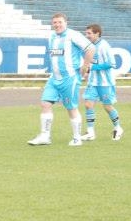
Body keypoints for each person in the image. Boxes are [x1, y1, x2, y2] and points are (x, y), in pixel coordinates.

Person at [27, 13, 94, 147]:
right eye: (55, 23)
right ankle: (45, 136)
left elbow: (91, 48)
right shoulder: (51, 36)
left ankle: (77, 138)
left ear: (66, 23)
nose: (57, 25)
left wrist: (85, 67)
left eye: (60, 22)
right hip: (54, 78)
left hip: (69, 79)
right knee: (45, 103)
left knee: (71, 108)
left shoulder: (73, 35)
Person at [81, 23, 123, 141]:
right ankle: (90, 132)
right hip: (93, 82)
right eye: (86, 33)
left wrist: (92, 68)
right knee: (88, 104)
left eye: (89, 33)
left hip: (105, 82)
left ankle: (118, 128)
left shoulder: (104, 46)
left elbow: (111, 64)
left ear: (97, 33)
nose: (87, 36)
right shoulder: (90, 46)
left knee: (107, 106)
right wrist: (86, 73)